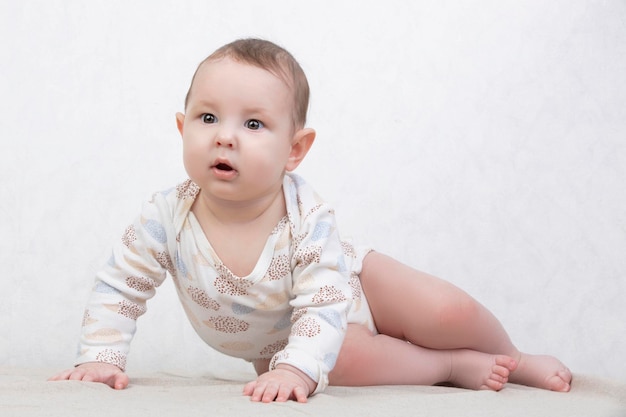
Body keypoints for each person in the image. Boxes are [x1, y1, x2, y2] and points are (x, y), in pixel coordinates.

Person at [50, 38, 572, 403]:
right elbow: (121, 283)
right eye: (208, 118)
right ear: (183, 128)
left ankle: (513, 356)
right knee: (342, 365)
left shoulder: (307, 214)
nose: (225, 136)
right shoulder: (167, 215)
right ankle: (451, 367)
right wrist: (102, 355)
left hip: (352, 285)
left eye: (253, 123)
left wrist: (302, 360)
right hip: (287, 344)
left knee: (446, 308)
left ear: (294, 150)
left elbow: (326, 298)